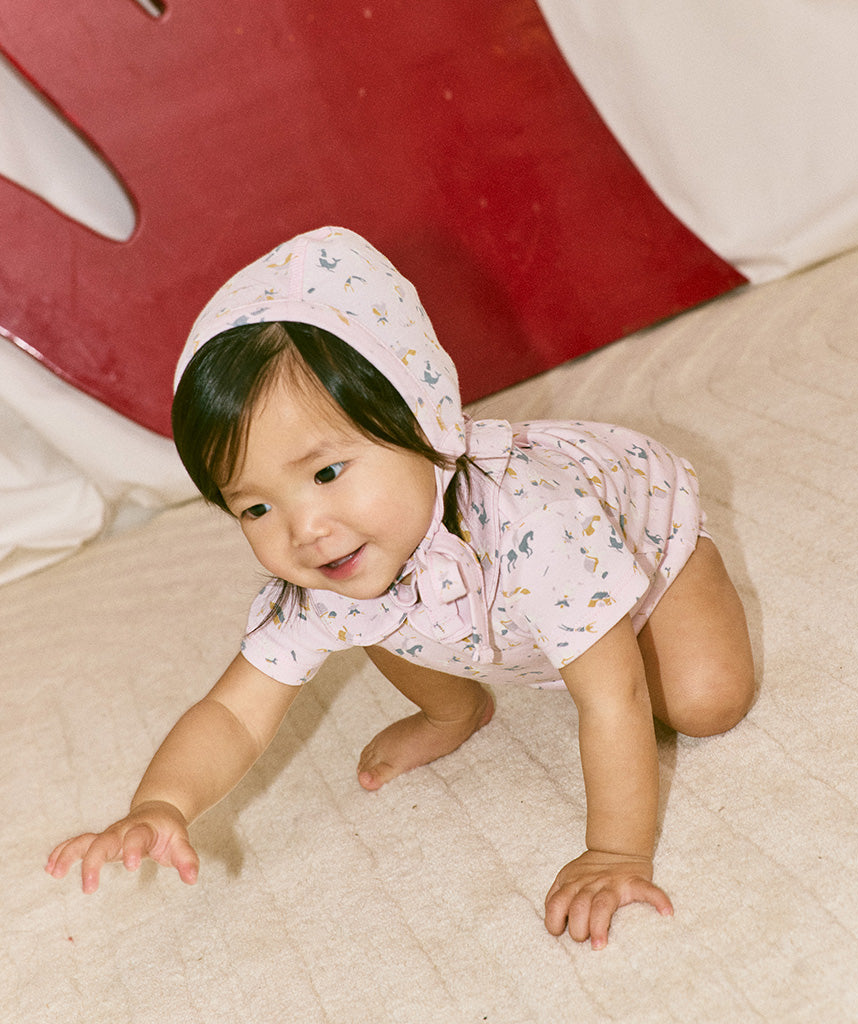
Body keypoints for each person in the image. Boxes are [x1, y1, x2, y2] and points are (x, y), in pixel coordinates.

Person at [46, 227, 755, 949]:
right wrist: (160, 803)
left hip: (640, 552)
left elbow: (613, 697)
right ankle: (454, 710)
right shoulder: (332, 569)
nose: (306, 529)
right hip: (478, 612)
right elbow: (233, 712)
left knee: (704, 703)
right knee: (365, 603)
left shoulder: (543, 524)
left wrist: (615, 852)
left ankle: (699, 570)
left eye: (325, 473)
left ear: (425, 422)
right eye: (255, 507)